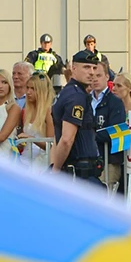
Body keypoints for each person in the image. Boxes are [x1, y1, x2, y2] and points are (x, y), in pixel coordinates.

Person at [50, 50, 102, 180]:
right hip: (79, 175)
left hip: (74, 172)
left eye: (94, 68)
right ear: (74, 68)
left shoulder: (68, 92)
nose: (91, 72)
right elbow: (66, 139)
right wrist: (56, 170)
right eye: (86, 67)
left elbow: (58, 137)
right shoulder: (76, 96)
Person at [90, 64, 127, 190]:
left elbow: (117, 131)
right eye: (92, 76)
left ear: (107, 77)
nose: (95, 79)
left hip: (109, 161)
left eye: (98, 75)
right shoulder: (85, 99)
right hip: (88, 159)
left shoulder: (115, 102)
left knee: (106, 197)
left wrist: (90, 134)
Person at [15, 71, 55, 167]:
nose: (28, 92)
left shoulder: (48, 112)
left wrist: (30, 139)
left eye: (33, 89)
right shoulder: (27, 111)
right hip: (24, 159)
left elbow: (51, 145)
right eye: (27, 88)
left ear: (42, 91)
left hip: (40, 162)